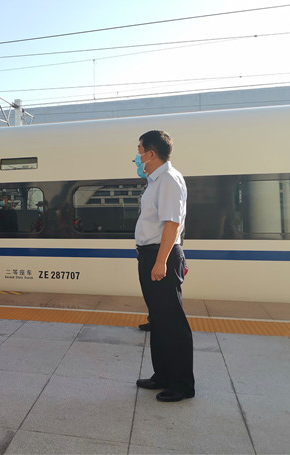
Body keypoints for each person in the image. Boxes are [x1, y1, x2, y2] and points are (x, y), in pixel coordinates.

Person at [134, 130, 195, 402]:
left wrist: (161, 261)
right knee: (158, 320)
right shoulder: (155, 181)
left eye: (139, 151)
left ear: (151, 153)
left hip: (161, 256)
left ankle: (182, 385)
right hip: (153, 254)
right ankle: (162, 376)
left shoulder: (168, 179)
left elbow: (172, 223)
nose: (137, 157)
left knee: (171, 322)